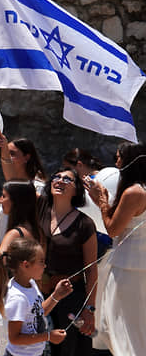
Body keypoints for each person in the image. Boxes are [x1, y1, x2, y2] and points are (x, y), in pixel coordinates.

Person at [85, 141, 146, 355]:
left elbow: (112, 229)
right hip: (138, 266)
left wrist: (101, 200)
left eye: (119, 157)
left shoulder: (134, 192)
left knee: (121, 327)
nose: (117, 162)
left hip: (127, 268)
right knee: (135, 328)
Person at [38, 168, 97, 356]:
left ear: (77, 191)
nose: (60, 181)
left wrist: (89, 309)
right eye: (56, 177)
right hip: (40, 296)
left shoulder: (85, 224)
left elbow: (91, 270)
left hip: (71, 299)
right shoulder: (40, 214)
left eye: (67, 179)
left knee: (69, 349)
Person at [0, 181, 44, 355]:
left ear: (16, 201)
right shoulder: (36, 230)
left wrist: (3, 291)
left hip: (13, 304)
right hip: (30, 302)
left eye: (4, 196)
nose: (0, 201)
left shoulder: (15, 233)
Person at [0, 238, 71, 356]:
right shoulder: (18, 298)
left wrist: (56, 295)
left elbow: (38, 312)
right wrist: (48, 336)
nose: (44, 266)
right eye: (41, 261)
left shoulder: (31, 284)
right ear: (26, 265)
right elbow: (14, 338)